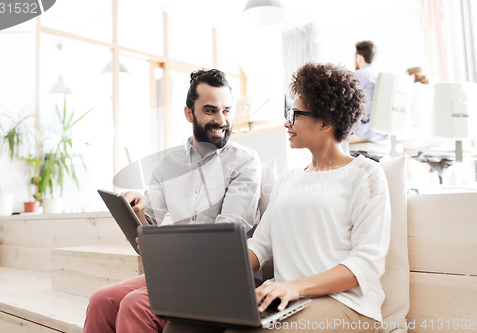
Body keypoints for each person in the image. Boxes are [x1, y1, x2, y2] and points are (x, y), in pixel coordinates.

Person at [164, 62, 391, 333]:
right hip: (286, 300)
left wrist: (294, 286)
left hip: (346, 304)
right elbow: (259, 246)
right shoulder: (288, 181)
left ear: (326, 121)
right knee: (182, 323)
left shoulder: (365, 174)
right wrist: (209, 266)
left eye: (295, 114)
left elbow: (366, 263)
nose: (287, 122)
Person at [83, 69, 262, 333]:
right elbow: (148, 230)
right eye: (210, 110)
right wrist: (140, 211)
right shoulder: (168, 164)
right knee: (101, 300)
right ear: (189, 113)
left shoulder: (244, 162)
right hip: (178, 273)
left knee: (135, 305)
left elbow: (223, 241)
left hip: (221, 278)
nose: (221, 119)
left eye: (226, 110)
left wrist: (168, 248)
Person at [350, 40, 387, 143]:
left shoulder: (357, 76)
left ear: (359, 58)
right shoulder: (379, 76)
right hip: (382, 133)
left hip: (364, 133)